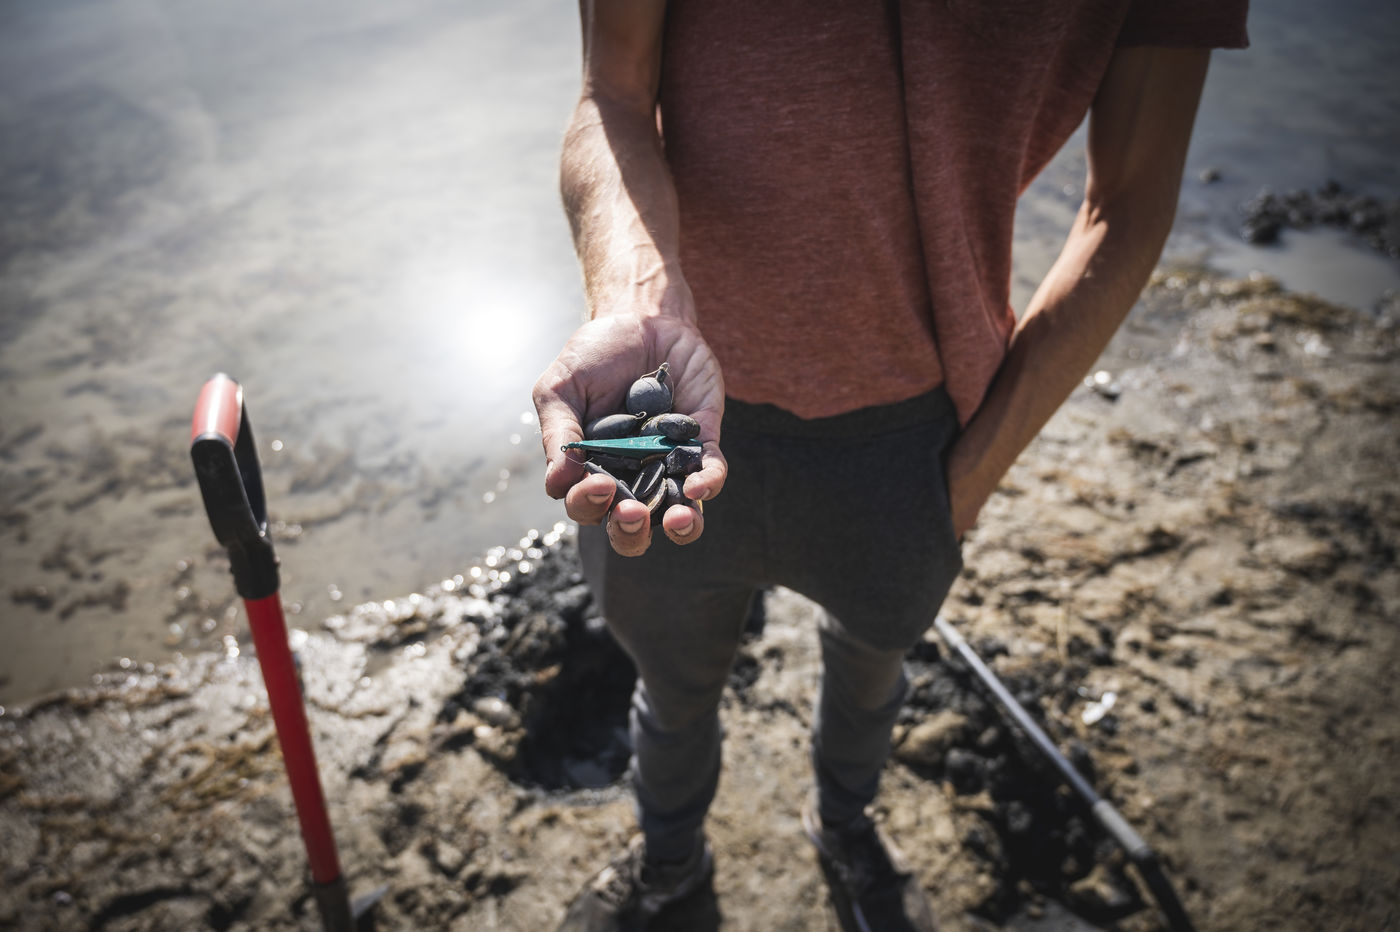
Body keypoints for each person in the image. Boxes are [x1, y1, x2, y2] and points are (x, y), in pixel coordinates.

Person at [531, 2, 1249, 929]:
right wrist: (640, 306)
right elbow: (614, 94)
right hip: (665, 407)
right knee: (670, 690)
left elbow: (1127, 202)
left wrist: (970, 478)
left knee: (872, 673)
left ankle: (843, 826)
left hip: (910, 436)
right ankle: (671, 862)